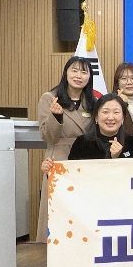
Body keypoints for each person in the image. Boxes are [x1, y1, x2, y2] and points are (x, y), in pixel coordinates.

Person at [36, 56, 97, 243]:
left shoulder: (93, 101)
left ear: (89, 77)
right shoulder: (50, 98)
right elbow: (48, 136)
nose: (78, 75)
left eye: (84, 72)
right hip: (59, 160)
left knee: (82, 212)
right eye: (74, 70)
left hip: (85, 161)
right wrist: (56, 117)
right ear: (66, 73)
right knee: (58, 211)